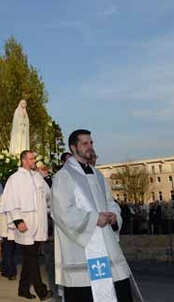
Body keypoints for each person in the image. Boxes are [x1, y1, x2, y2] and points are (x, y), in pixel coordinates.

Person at [52, 129, 140, 302]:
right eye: (84, 143)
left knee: (119, 288)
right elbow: (62, 211)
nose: (89, 147)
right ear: (73, 147)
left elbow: (110, 202)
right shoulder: (63, 176)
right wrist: (94, 219)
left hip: (106, 246)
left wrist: (114, 216)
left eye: (91, 143)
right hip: (81, 249)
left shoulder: (98, 175)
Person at [2, 150, 52, 300]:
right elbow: (9, 200)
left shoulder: (37, 177)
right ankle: (41, 290)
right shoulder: (15, 179)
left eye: (34, 158)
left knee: (30, 258)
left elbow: (48, 195)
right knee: (32, 257)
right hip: (25, 223)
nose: (34, 161)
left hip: (39, 223)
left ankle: (23, 289)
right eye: (31, 159)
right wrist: (17, 220)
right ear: (23, 160)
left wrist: (46, 177)